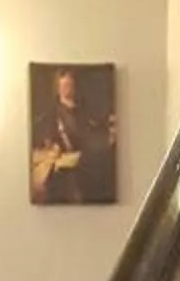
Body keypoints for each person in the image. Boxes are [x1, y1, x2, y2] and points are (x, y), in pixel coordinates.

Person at [31, 67, 117, 206]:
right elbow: (45, 146)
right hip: (65, 177)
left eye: (70, 85)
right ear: (58, 88)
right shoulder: (50, 117)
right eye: (64, 85)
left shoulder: (86, 112)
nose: (68, 89)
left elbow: (94, 137)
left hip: (89, 170)